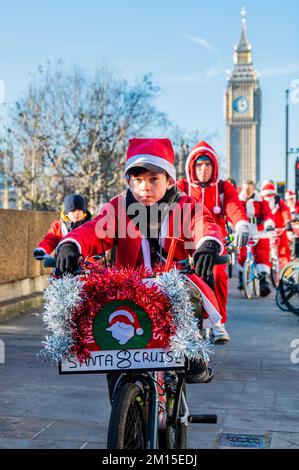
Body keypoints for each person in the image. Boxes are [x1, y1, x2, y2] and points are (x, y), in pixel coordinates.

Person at [55, 138, 224, 384]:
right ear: (129, 182)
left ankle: (193, 354)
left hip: (171, 284)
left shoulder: (185, 205)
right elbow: (94, 229)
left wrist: (207, 243)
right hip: (128, 286)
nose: (145, 187)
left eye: (153, 179)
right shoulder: (119, 207)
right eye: (138, 180)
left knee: (189, 294)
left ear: (169, 180)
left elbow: (202, 223)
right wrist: (72, 244)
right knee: (113, 352)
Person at [176, 141, 249, 344]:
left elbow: (235, 208)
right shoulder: (182, 187)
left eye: (207, 165)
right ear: (192, 167)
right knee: (179, 282)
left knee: (219, 277)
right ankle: (181, 326)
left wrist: (242, 225)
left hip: (214, 244)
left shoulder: (224, 187)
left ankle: (218, 324)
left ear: (214, 167)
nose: (203, 169)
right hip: (186, 245)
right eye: (199, 165)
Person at [238, 181, 275, 296]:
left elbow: (268, 214)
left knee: (262, 254)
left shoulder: (261, 201)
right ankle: (242, 277)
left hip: (260, 231)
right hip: (245, 231)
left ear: (254, 189)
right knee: (243, 253)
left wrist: (269, 223)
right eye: (245, 189)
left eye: (249, 189)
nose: (247, 191)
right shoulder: (238, 201)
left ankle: (263, 281)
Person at [33, 194, 92, 259]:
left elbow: (95, 245)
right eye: (73, 210)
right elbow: (49, 240)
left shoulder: (90, 227)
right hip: (61, 263)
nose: (76, 213)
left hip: (85, 264)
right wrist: (42, 249)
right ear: (66, 212)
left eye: (79, 210)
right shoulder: (58, 227)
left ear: (84, 212)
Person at [261, 181, 292, 268]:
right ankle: (264, 272)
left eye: (272, 194)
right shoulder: (260, 203)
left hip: (279, 230)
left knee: (284, 252)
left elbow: (285, 211)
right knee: (262, 253)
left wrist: (287, 222)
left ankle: (286, 273)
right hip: (265, 231)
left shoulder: (279, 202)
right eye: (268, 195)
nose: (270, 197)